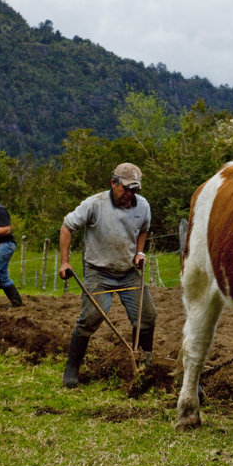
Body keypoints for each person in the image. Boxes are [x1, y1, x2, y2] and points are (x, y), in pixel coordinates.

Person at [57, 162, 155, 389]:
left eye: (135, 190)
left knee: (147, 316)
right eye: (126, 189)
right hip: (98, 272)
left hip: (129, 272)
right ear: (114, 183)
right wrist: (64, 262)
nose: (130, 194)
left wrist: (139, 252)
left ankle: (144, 366)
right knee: (91, 317)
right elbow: (67, 226)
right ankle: (72, 369)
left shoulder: (143, 206)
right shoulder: (94, 204)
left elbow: (144, 228)